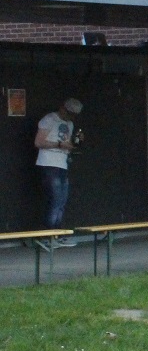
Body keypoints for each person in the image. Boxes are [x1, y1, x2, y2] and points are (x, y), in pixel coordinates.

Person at [34, 97, 82, 242]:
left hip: (62, 163)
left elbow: (67, 144)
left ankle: (58, 233)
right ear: (62, 108)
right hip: (49, 163)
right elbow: (39, 142)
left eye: (73, 115)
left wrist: (75, 143)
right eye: (69, 113)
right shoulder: (49, 119)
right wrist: (59, 145)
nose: (70, 117)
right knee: (55, 200)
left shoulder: (70, 124)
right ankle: (48, 235)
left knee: (62, 201)